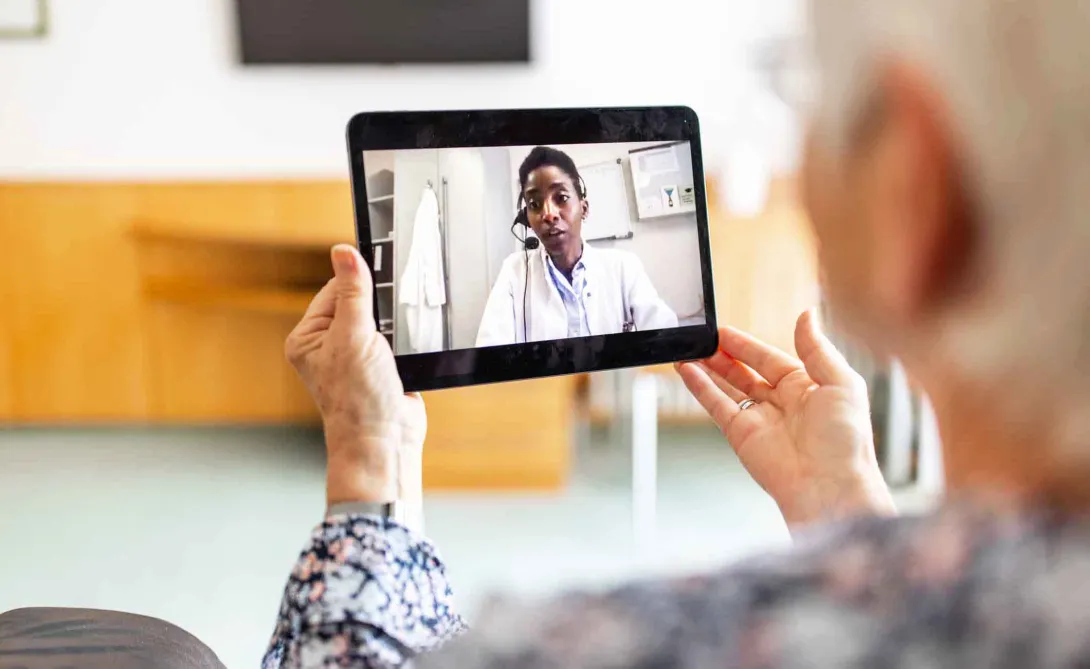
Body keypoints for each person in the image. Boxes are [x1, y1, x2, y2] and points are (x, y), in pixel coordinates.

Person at [264, 0, 1090, 665]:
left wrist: (369, 451)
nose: (547, 212)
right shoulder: (514, 277)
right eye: (532, 202)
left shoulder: (587, 649)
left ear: (912, 190)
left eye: (804, 96)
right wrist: (843, 505)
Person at [475, 146, 678, 347]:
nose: (549, 214)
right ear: (527, 219)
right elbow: (489, 351)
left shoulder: (623, 267)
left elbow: (667, 338)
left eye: (561, 198)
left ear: (584, 208)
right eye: (534, 204)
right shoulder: (514, 272)